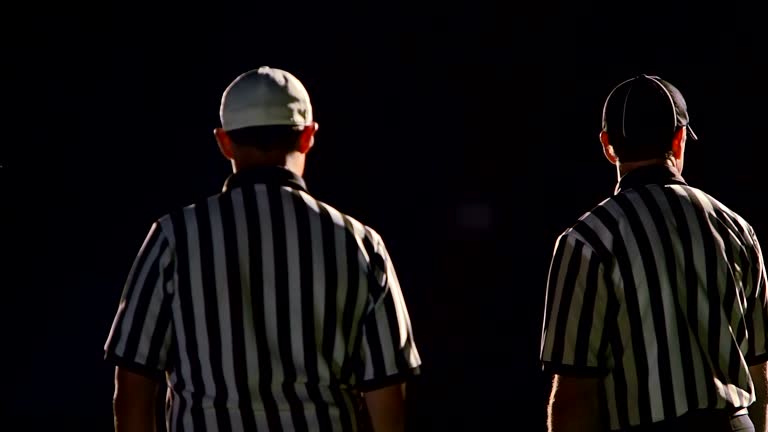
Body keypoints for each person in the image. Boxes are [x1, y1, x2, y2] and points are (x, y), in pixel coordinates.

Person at [104, 66, 422, 432]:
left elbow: (132, 384)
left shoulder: (174, 238)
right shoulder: (361, 243)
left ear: (224, 142)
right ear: (308, 137)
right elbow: (387, 391)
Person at [539, 74, 768, 432]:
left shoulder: (586, 240)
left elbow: (574, 393)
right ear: (678, 140)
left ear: (607, 146)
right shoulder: (737, 229)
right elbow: (760, 372)